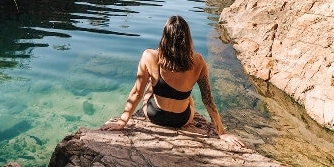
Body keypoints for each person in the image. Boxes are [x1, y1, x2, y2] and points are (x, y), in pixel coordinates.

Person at [100, 15, 245, 147]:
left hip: (154, 115)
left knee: (152, 83)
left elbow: (137, 93)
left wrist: (122, 121)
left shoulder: (149, 56)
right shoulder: (198, 61)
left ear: (165, 36)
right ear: (188, 37)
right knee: (188, 96)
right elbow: (208, 99)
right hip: (182, 120)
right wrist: (222, 132)